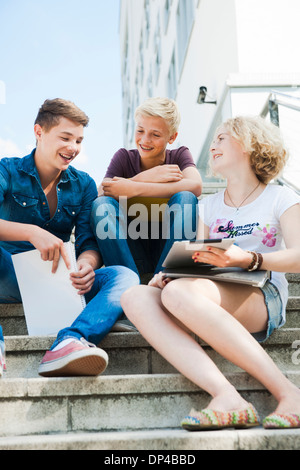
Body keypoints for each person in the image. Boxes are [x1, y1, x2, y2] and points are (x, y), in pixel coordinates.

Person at [121, 115, 300, 430]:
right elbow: (201, 260)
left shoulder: (281, 197)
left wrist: (250, 259)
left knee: (179, 292)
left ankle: (289, 394)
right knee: (135, 296)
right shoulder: (208, 205)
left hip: (263, 294)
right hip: (213, 291)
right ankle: (227, 396)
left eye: (221, 139)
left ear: (248, 144)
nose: (212, 147)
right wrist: (172, 273)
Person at [0, 98, 139, 378]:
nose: (73, 148)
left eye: (78, 140)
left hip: (57, 281)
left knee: (125, 277)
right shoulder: (8, 170)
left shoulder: (84, 183)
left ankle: (70, 340)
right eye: (65, 137)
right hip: (8, 274)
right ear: (39, 132)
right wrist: (31, 232)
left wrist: (86, 264)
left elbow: (88, 242)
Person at [91, 97, 202, 278]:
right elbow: (102, 192)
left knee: (186, 198)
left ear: (172, 137)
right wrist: (146, 177)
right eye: (140, 130)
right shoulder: (124, 157)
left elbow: (195, 186)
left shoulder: (179, 155)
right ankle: (125, 284)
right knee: (102, 205)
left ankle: (167, 279)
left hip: (167, 251)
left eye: (155, 134)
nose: (145, 139)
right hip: (131, 254)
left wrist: (134, 188)